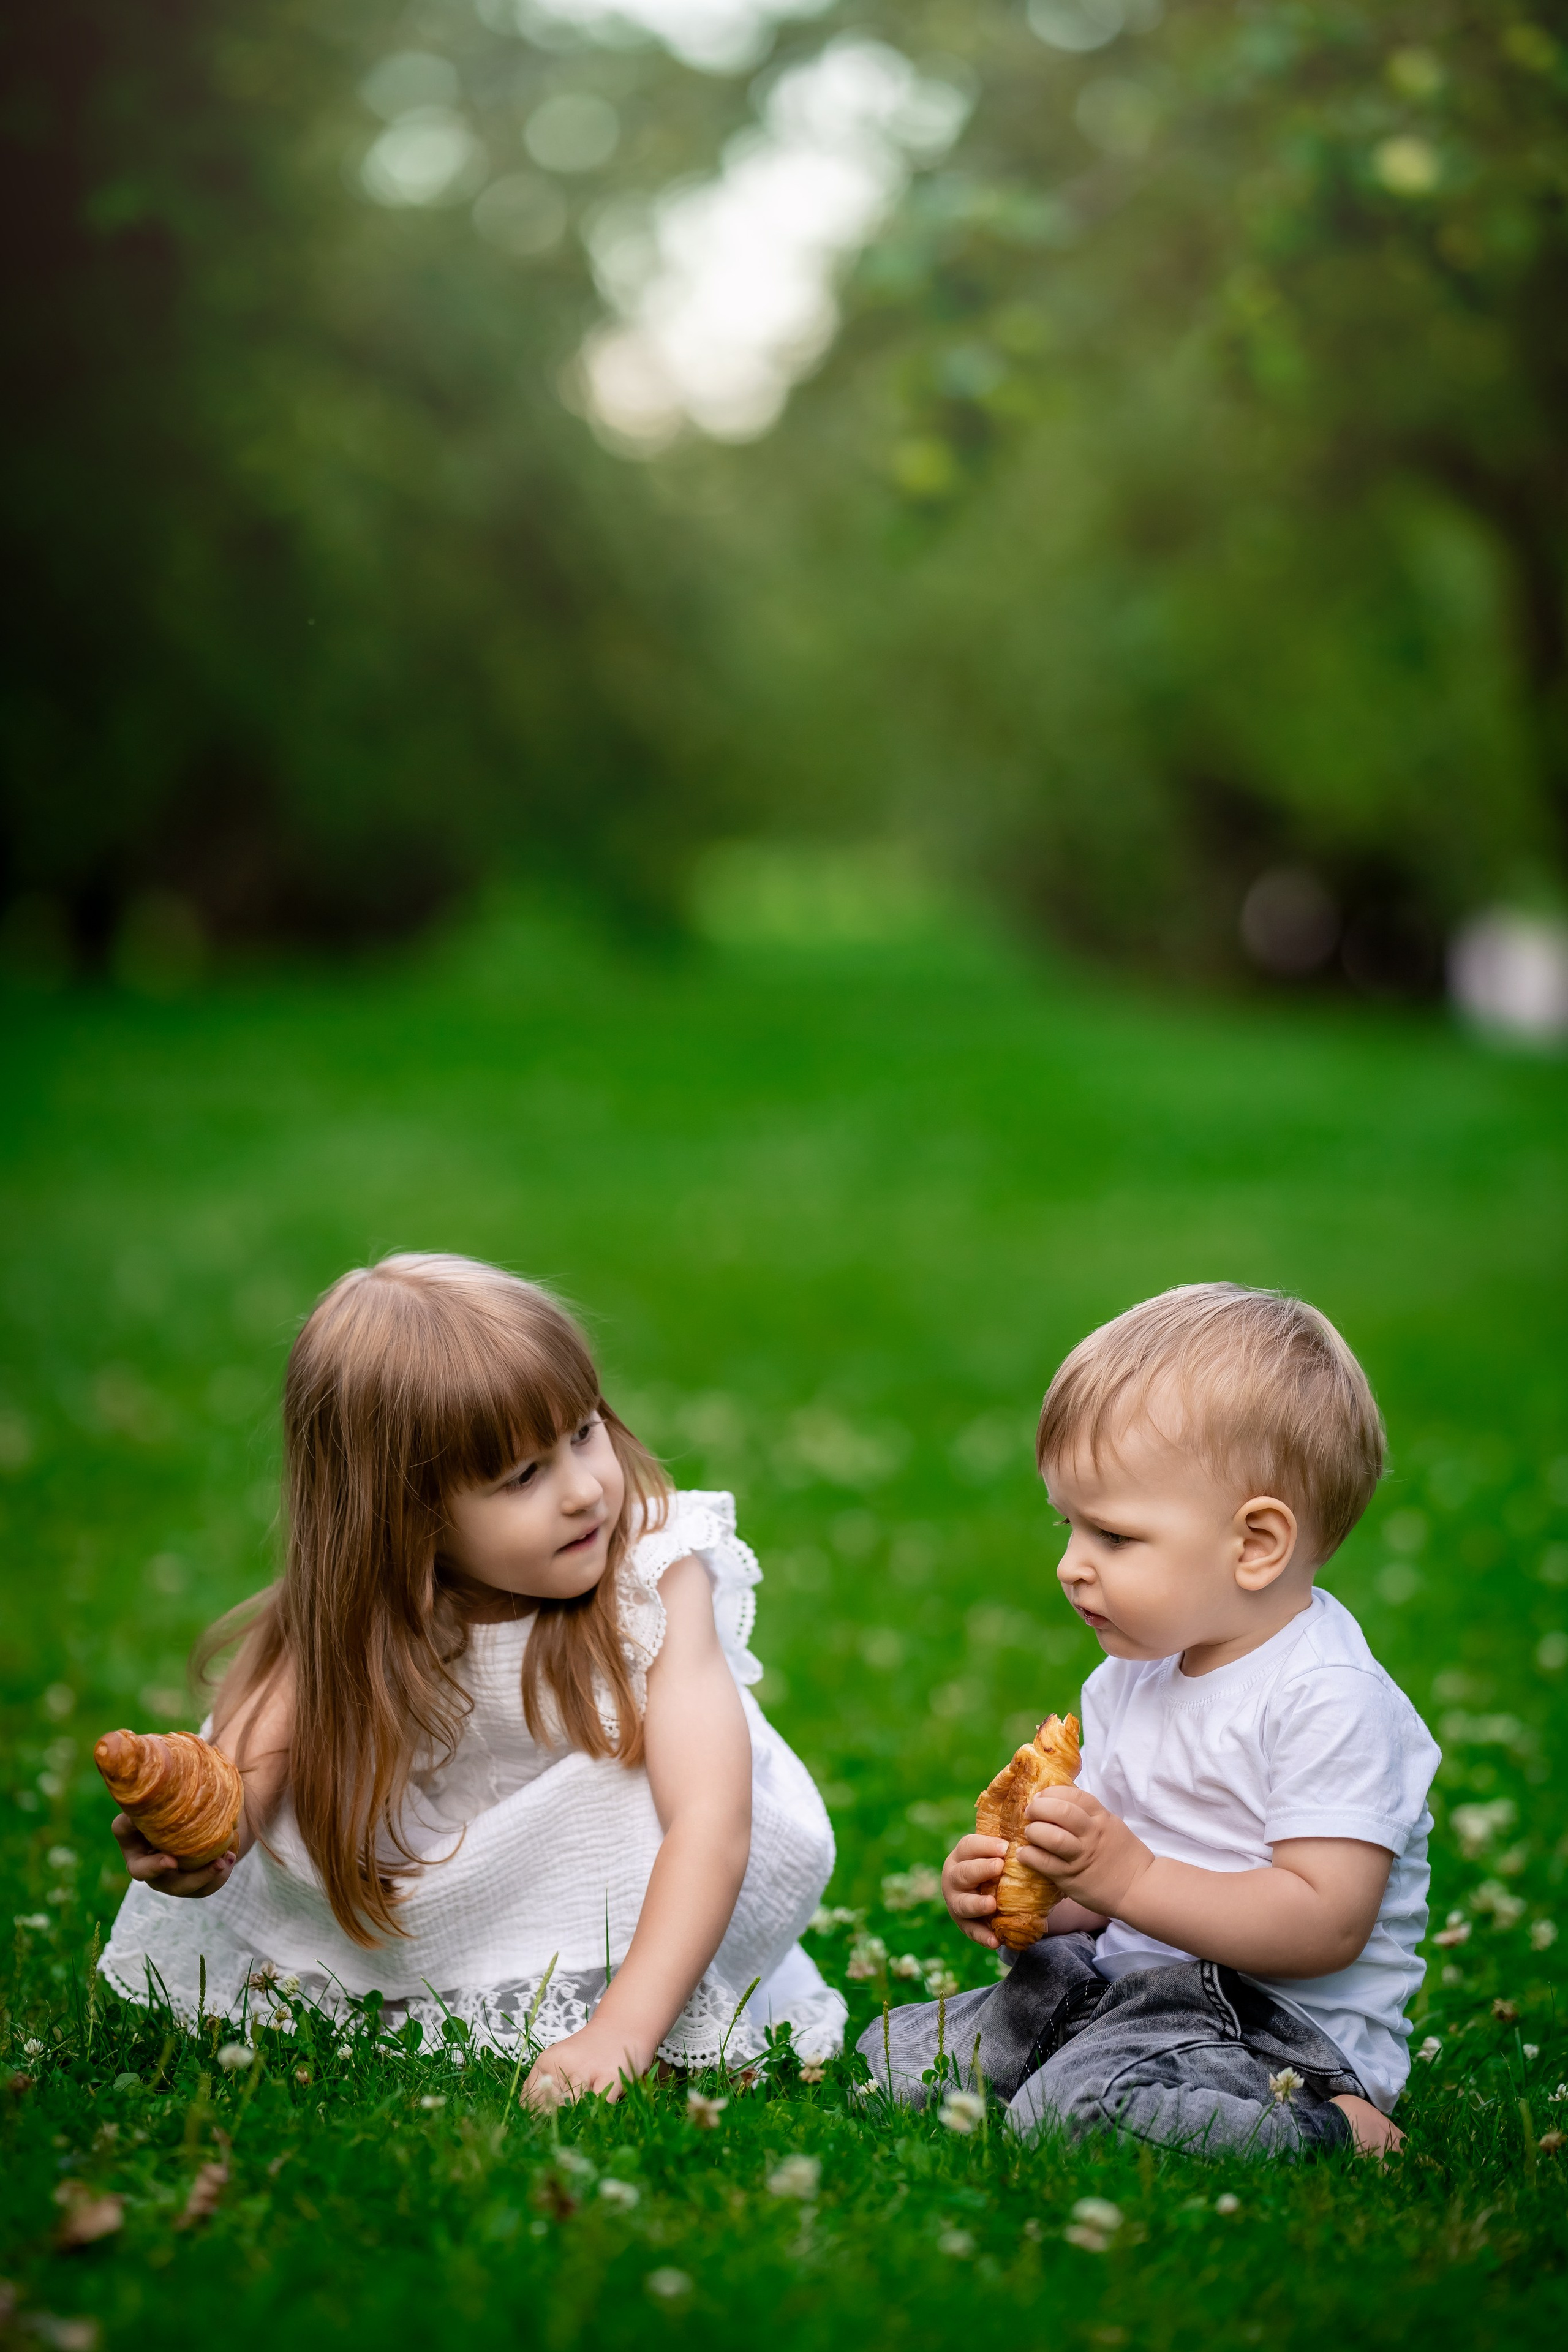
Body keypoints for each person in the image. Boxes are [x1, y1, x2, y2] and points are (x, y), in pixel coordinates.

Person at [101, 1253, 843, 2096]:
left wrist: (620, 2038)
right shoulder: (360, 1614)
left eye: (584, 1432)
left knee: (631, 1793)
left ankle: (633, 2000)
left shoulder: (658, 1577)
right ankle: (419, 1990)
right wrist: (213, 1839)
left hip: (639, 1880)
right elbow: (251, 1774)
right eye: (523, 1476)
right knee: (306, 1777)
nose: (583, 1493)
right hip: (448, 1881)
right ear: (405, 1519)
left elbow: (712, 1820)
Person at [861, 1283, 1439, 2158]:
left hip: (1274, 2033)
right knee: (901, 2058)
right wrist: (1037, 1894)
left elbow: (1326, 1926)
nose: (1069, 1567)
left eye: (1114, 1538)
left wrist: (1128, 1880)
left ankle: (1335, 2131)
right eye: (1068, 1527)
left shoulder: (1330, 1699)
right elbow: (1102, 1900)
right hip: (1132, 1993)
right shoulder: (1130, 1675)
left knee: (1075, 2118)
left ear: (1254, 1545)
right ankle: (1083, 2061)